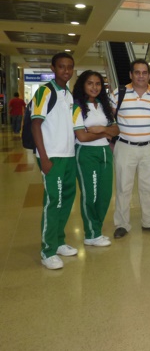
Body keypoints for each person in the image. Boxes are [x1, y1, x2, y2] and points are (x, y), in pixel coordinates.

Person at [111, 59, 150, 239]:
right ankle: (122, 224)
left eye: (144, 72)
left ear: (149, 75)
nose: (141, 76)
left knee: (148, 187)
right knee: (123, 187)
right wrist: (110, 143)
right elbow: (109, 119)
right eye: (137, 72)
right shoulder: (118, 93)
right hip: (125, 146)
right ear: (131, 75)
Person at [31, 52, 77, 270]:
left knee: (66, 200)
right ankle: (47, 251)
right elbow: (35, 125)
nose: (66, 71)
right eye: (61, 66)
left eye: (69, 67)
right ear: (53, 68)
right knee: (53, 202)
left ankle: (58, 241)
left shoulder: (68, 94)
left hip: (68, 155)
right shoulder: (45, 91)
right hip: (52, 156)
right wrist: (44, 158)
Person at [72, 70, 119, 247]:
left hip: (105, 152)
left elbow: (116, 130)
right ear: (83, 85)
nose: (94, 87)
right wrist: (106, 133)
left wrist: (101, 129)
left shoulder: (103, 105)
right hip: (86, 153)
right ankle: (91, 233)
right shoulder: (77, 106)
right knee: (90, 194)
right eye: (90, 83)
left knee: (105, 194)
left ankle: (96, 230)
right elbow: (82, 137)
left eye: (98, 84)